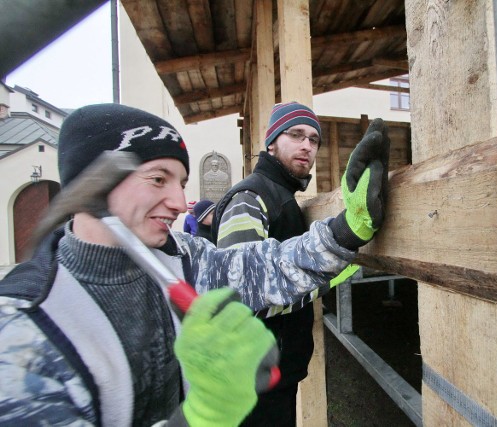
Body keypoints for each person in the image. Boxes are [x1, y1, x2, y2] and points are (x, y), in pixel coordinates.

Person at [0, 103, 389, 426]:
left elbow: (261, 268)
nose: (177, 201)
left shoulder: (180, 256)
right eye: (158, 179)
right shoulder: (23, 325)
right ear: (91, 184)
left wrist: (345, 231)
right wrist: (200, 417)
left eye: (181, 181)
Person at [214, 101, 389, 426]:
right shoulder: (250, 199)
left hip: (275, 374)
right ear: (271, 142)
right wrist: (340, 244)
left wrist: (334, 261)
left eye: (314, 139)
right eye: (296, 135)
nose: (307, 145)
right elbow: (242, 297)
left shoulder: (282, 197)